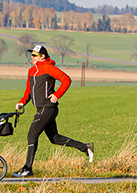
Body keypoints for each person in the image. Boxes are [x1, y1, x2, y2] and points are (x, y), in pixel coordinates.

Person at [12, 44, 94, 178]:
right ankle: (86, 148)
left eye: (34, 55)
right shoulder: (32, 71)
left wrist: (57, 95)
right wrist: (22, 102)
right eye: (31, 55)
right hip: (41, 108)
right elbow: (28, 91)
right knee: (55, 138)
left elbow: (66, 80)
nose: (31, 57)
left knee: (32, 134)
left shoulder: (49, 68)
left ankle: (27, 168)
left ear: (42, 56)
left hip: (48, 108)